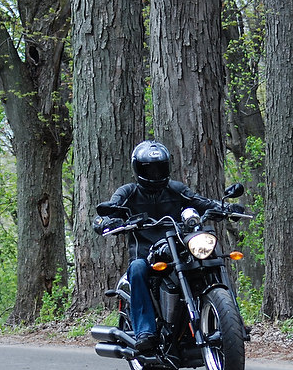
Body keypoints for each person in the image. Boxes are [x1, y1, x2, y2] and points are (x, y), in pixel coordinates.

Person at [92, 140, 238, 353]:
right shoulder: (128, 192)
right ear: (138, 169)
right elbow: (107, 212)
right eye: (149, 169)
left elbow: (200, 202)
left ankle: (231, 320)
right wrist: (107, 222)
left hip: (177, 249)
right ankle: (145, 332)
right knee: (137, 268)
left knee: (211, 258)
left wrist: (225, 208)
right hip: (146, 253)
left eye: (159, 168)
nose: (154, 173)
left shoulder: (176, 189)